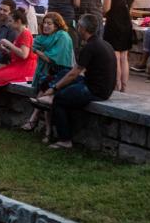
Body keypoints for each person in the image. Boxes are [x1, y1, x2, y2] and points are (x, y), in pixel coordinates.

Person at [39, 13, 117, 148]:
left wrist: (55, 88)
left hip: (96, 91)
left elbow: (74, 73)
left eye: (78, 26)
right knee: (63, 73)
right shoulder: (104, 43)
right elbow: (72, 73)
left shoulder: (90, 47)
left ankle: (65, 140)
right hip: (100, 86)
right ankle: (50, 95)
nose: (77, 28)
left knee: (59, 100)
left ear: (82, 28)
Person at [0, 8, 36, 123]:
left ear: (18, 21)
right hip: (17, 65)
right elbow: (16, 53)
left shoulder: (26, 34)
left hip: (25, 68)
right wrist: (4, 50)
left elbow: (24, 55)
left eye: (10, 21)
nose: (8, 23)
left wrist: (8, 44)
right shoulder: (19, 33)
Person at [21, 12, 76, 133]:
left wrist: (37, 51)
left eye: (49, 24)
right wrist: (37, 50)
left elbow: (50, 59)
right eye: (44, 23)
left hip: (62, 73)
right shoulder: (43, 38)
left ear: (57, 25)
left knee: (45, 88)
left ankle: (34, 120)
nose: (45, 26)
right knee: (45, 86)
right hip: (48, 73)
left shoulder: (62, 36)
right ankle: (46, 130)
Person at [102, 0, 137, 92]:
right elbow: (131, 11)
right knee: (124, 57)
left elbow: (106, 9)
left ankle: (116, 85)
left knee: (115, 57)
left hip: (113, 25)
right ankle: (124, 86)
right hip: (126, 25)